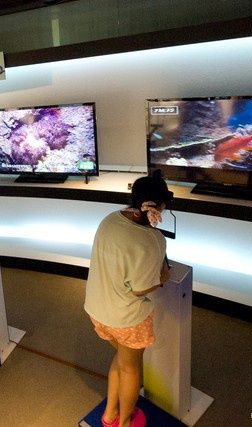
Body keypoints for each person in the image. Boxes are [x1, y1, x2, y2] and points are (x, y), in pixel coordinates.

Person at [84, 171, 172, 427]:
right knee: (131, 369)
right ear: (160, 206)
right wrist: (162, 278)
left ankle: (109, 414)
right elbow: (140, 289)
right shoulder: (153, 239)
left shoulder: (110, 219)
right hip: (125, 320)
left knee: (122, 360)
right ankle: (124, 422)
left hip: (97, 311)